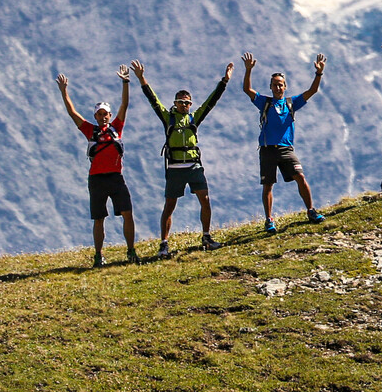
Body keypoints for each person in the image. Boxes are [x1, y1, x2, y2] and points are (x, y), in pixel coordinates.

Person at [131, 58, 229, 257]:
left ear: (191, 104)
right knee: (169, 205)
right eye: (180, 102)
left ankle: (206, 237)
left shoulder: (194, 118)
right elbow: (153, 100)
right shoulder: (169, 118)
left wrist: (224, 81)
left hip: (193, 166)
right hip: (175, 167)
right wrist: (142, 79)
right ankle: (164, 244)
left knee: (205, 199)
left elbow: (211, 102)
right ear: (175, 103)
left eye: (187, 102)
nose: (184, 105)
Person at [56, 66, 139, 266]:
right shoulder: (90, 131)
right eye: (100, 114)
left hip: (116, 177)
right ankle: (98, 255)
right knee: (99, 218)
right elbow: (72, 112)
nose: (103, 117)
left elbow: (125, 105)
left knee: (127, 213)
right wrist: (64, 91)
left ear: (110, 116)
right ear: (95, 116)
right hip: (97, 179)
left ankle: (130, 251)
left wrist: (125, 82)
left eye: (106, 114)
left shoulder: (117, 128)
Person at [243, 50, 325, 232]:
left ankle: (311, 211)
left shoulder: (291, 103)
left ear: (285, 86)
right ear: (271, 87)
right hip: (267, 150)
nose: (278, 88)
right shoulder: (265, 102)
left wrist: (318, 73)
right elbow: (247, 90)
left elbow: (312, 91)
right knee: (268, 185)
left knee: (300, 177)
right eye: (274, 85)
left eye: (280, 85)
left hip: (286, 149)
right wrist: (248, 70)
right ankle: (269, 220)